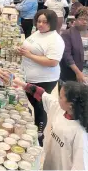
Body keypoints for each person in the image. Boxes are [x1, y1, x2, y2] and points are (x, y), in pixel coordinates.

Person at [12, 78, 88, 171]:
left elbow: (81, 166)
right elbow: (42, 94)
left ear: (71, 105)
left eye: (60, 97)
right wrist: (21, 83)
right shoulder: (59, 109)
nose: (58, 98)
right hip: (49, 163)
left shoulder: (80, 134)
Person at [17, 9, 65, 145]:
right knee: (31, 103)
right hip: (29, 76)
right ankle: (31, 128)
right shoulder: (38, 33)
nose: (41, 24)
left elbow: (52, 62)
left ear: (52, 23)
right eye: (39, 21)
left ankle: (39, 135)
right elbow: (32, 47)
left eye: (45, 22)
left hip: (44, 79)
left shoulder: (55, 40)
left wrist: (29, 55)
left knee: (39, 106)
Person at [60, 7, 88, 84]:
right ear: (75, 19)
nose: (85, 22)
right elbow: (67, 56)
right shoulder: (67, 34)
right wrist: (78, 72)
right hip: (72, 72)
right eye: (82, 19)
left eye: (87, 19)